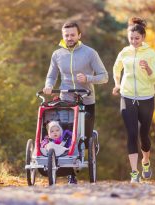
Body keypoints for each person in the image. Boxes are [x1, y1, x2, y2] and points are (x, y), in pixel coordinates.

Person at [43, 22, 108, 184]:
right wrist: (49, 86)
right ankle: (71, 173)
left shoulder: (90, 53)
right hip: (66, 100)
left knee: (84, 139)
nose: (69, 38)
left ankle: (92, 137)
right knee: (67, 136)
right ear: (63, 36)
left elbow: (104, 76)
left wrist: (88, 79)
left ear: (79, 35)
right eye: (66, 35)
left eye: (72, 35)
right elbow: (51, 76)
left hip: (86, 99)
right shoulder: (57, 54)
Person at [112, 17, 155, 183]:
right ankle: (134, 172)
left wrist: (147, 68)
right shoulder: (124, 52)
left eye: (137, 38)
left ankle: (145, 161)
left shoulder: (151, 53)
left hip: (146, 97)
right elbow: (116, 69)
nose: (133, 41)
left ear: (143, 37)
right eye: (131, 38)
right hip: (127, 96)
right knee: (132, 134)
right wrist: (117, 84)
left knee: (144, 134)